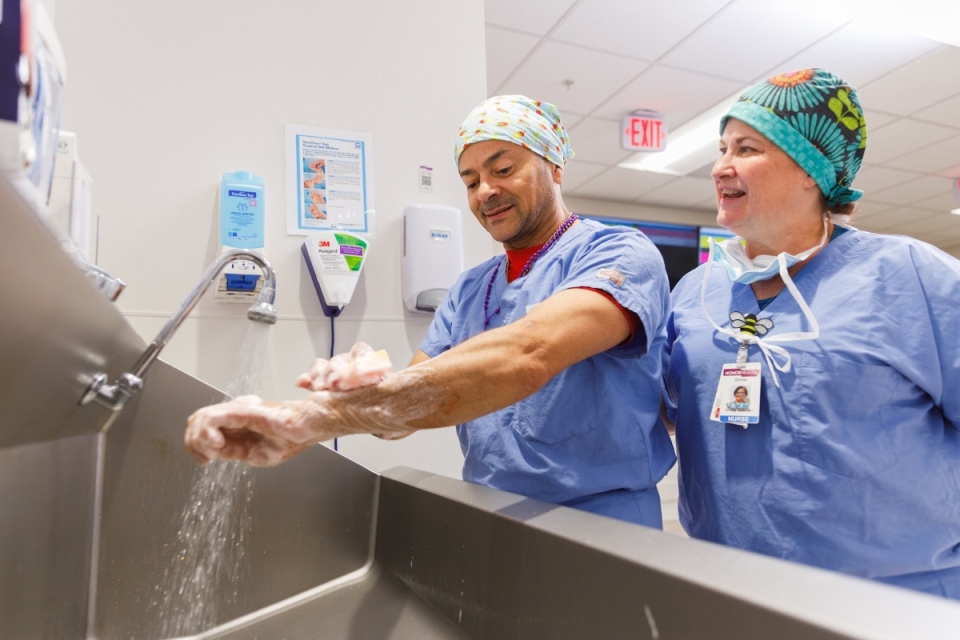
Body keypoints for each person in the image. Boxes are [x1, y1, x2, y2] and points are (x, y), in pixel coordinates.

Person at [187, 95, 676, 528]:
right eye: (471, 180)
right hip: (494, 518)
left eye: (503, 169)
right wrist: (367, 391)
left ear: (554, 166)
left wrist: (314, 418)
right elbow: (402, 417)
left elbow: (530, 353)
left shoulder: (619, 255)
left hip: (604, 526)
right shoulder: (469, 289)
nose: (484, 191)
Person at [662, 68, 960, 598]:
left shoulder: (909, 275)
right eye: (722, 147)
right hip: (729, 593)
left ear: (811, 170)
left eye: (746, 148)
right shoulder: (695, 293)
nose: (720, 167)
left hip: (898, 603)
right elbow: (661, 410)